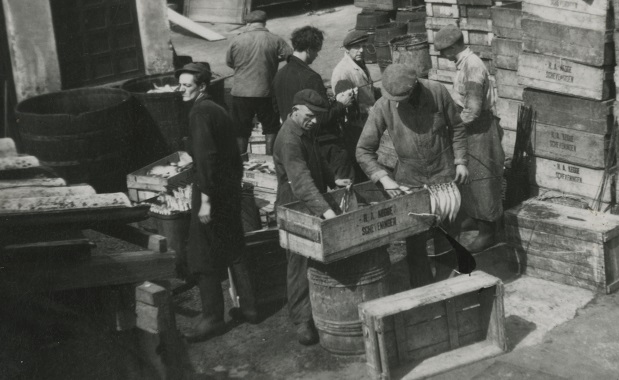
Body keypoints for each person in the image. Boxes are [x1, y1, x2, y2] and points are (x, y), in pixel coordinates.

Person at [356, 64, 468, 288]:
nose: (398, 102)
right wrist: (384, 178)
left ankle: (449, 288)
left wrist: (461, 161)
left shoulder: (437, 92)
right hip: (410, 184)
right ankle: (423, 291)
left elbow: (457, 128)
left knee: (448, 239)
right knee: (416, 246)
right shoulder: (383, 106)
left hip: (445, 179)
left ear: (414, 85)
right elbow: (363, 150)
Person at [176, 62, 259, 342]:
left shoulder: (199, 113)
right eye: (180, 85)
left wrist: (206, 201)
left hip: (211, 192)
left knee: (201, 254)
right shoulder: (218, 109)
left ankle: (212, 318)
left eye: (187, 85)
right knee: (234, 246)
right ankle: (250, 308)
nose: (181, 90)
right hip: (229, 190)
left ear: (201, 86)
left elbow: (207, 159)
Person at [273, 89, 351, 345]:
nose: (314, 121)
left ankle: (320, 307)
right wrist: (327, 213)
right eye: (309, 116)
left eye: (317, 116)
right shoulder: (289, 140)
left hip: (312, 199)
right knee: (299, 260)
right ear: (294, 110)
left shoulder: (305, 129)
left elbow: (316, 158)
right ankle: (302, 319)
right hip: (294, 204)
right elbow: (302, 183)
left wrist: (332, 179)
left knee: (317, 257)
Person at [433, 25, 504, 252]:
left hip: (480, 129)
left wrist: (452, 127)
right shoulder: (463, 64)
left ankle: (488, 232)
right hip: (471, 129)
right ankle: (475, 218)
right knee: (470, 178)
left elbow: (472, 110)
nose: (442, 55)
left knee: (483, 181)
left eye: (444, 51)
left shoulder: (473, 67)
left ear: (454, 47)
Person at [273, 25, 355, 180]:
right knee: (345, 180)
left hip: (299, 141)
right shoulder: (311, 77)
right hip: (323, 144)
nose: (317, 55)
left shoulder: (279, 75)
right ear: (309, 49)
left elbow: (276, 109)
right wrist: (341, 104)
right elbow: (323, 117)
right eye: (317, 51)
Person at [226, 10, 293, 154]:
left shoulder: (237, 40)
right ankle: (270, 158)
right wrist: (274, 59)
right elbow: (290, 56)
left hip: (241, 93)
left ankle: (241, 159)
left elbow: (230, 62)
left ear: (248, 24)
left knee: (240, 130)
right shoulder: (275, 39)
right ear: (264, 23)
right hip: (266, 92)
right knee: (271, 127)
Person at [330, 29, 379, 182]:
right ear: (347, 49)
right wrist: (368, 109)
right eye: (356, 47)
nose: (361, 50)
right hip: (355, 126)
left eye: (363, 46)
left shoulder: (359, 63)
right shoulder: (342, 71)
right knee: (361, 160)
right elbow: (345, 106)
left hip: (368, 120)